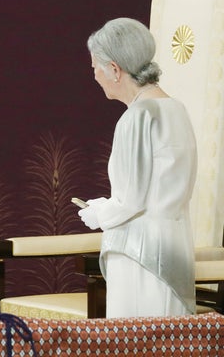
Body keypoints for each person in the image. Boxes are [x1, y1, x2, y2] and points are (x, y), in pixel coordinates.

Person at [79, 17, 197, 318]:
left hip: (140, 254)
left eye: (96, 67)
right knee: (170, 341)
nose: (94, 76)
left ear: (115, 69)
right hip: (176, 246)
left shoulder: (137, 117)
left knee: (137, 341)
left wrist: (98, 212)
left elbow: (131, 200)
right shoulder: (177, 109)